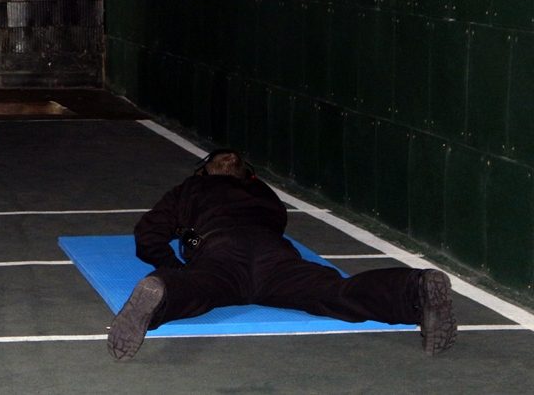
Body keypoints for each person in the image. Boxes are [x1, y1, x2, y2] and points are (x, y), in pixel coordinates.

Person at [107, 149, 457, 360]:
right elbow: (275, 223)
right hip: (274, 255)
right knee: (335, 292)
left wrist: (174, 268)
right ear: (249, 175)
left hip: (221, 252)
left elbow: (147, 236)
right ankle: (415, 288)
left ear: (203, 171)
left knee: (197, 290)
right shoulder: (265, 195)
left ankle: (161, 293)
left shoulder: (191, 188)